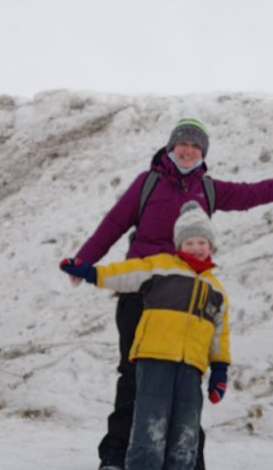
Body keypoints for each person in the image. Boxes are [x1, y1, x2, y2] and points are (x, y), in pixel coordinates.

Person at [71, 118, 273, 470]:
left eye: (196, 145)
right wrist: (85, 260)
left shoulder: (209, 189)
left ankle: (190, 461)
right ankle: (116, 457)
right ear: (170, 147)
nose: (189, 149)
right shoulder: (147, 183)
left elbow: (255, 193)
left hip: (188, 300)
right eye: (183, 143)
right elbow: (115, 222)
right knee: (133, 375)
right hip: (142, 292)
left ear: (203, 153)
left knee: (187, 380)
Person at [61, 201, 229, 470]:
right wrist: (92, 273)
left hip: (191, 368)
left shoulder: (216, 289)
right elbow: (125, 275)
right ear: (179, 245)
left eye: (201, 242)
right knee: (150, 425)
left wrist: (219, 369)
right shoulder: (160, 267)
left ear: (211, 245)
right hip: (155, 359)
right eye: (189, 242)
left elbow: (219, 334)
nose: (196, 248)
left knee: (186, 431)